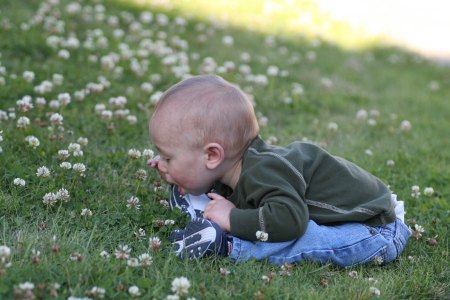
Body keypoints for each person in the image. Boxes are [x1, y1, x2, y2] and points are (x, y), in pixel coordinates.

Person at [147, 74, 411, 267]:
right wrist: (180, 175)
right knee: (256, 213)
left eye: (168, 157)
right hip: (348, 216)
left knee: (305, 237)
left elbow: (290, 221)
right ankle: (200, 204)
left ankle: (227, 245)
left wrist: (233, 220)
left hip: (374, 230)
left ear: (212, 156)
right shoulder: (234, 166)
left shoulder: (265, 172)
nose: (162, 162)